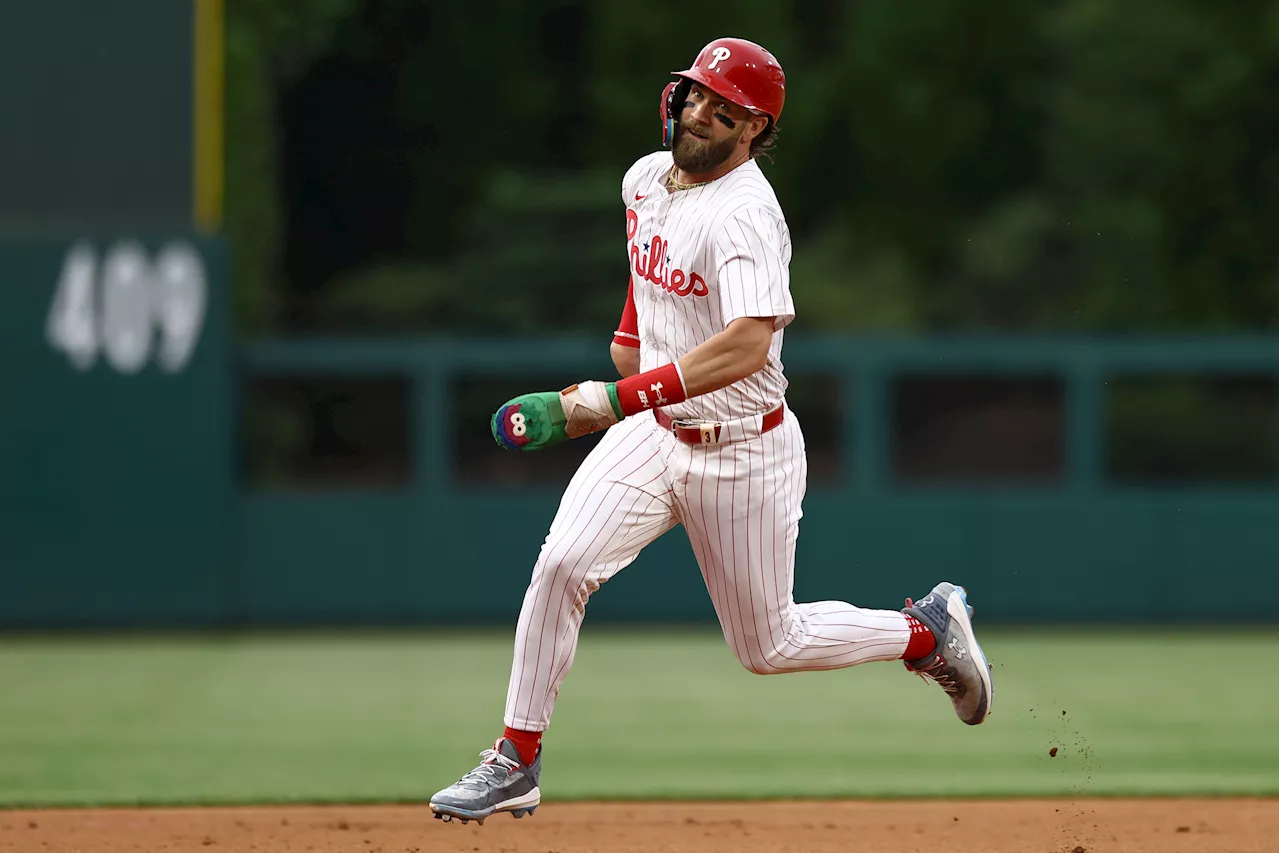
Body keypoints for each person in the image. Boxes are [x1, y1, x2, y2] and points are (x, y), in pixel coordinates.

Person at [429, 36, 993, 826]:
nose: (699, 112)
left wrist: (611, 397)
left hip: (743, 447)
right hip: (656, 431)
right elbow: (643, 267)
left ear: (755, 129)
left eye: (723, 109)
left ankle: (923, 632)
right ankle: (514, 758)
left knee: (768, 645)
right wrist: (631, 355)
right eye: (694, 94)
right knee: (562, 563)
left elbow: (747, 343)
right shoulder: (644, 179)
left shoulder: (747, 215)